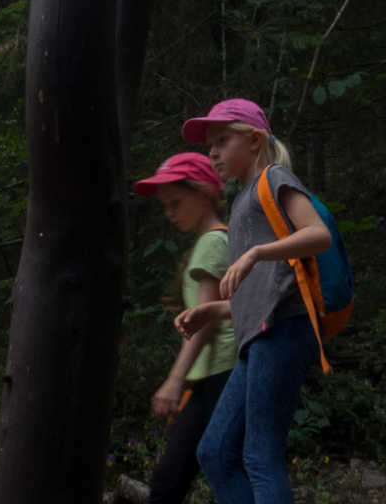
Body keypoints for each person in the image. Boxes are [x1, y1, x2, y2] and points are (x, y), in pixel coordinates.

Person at [173, 99, 332, 504]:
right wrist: (213, 310)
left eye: (222, 140)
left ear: (254, 139)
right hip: (258, 335)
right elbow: (262, 293)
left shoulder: (273, 178)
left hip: (283, 329)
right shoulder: (244, 200)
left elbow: (318, 235)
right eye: (209, 145)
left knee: (260, 458)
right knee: (214, 452)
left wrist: (256, 253)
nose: (211, 152)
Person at [134, 151, 239, 504]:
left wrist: (174, 380)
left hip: (222, 373)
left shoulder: (212, 243)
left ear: (205, 194)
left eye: (175, 202)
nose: (169, 212)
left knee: (199, 472)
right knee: (173, 478)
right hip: (213, 374)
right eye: (165, 205)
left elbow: (203, 321)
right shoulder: (213, 241)